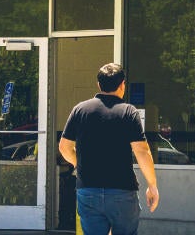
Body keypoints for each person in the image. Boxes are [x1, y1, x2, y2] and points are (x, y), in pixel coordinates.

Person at [58, 62, 160, 235]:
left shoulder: (80, 110)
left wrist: (80, 164)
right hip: (122, 191)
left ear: (99, 85)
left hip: (88, 190)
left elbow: (64, 147)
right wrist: (152, 185)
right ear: (122, 85)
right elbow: (142, 151)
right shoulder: (129, 112)